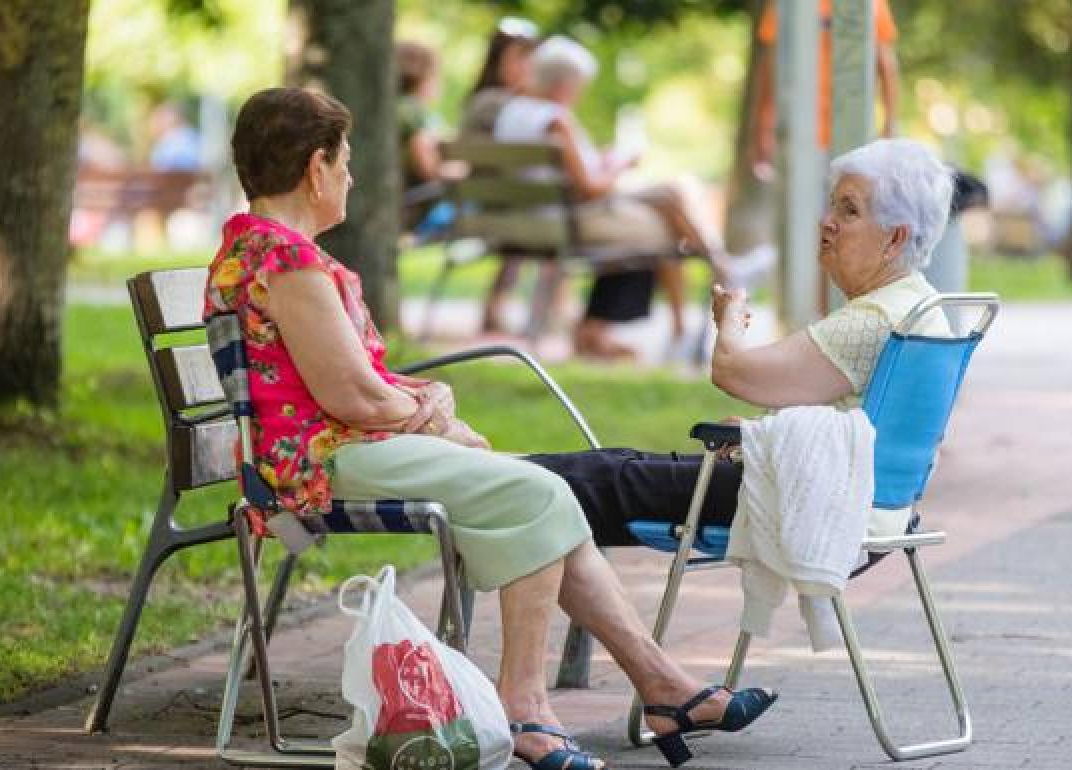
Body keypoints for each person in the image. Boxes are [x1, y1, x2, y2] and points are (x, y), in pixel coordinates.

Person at [205, 87, 776, 770]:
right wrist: (437, 421)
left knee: (536, 492)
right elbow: (349, 393)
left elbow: (347, 387)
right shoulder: (285, 260)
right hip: (318, 465)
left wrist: (425, 408)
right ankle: (528, 707)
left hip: (331, 450)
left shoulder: (265, 249)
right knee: (532, 493)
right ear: (315, 167)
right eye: (346, 161)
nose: (350, 177)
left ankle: (662, 688)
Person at [527, 138, 953, 548]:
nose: (827, 221)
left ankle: (492, 485)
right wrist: (761, 435)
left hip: (806, 503)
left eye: (850, 210)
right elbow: (854, 424)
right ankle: (498, 483)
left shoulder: (874, 319)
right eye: (833, 204)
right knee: (609, 471)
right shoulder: (922, 306)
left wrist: (730, 318)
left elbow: (735, 372)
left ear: (895, 238)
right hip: (866, 503)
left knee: (590, 482)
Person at [495, 36, 745, 359]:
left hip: (531, 213)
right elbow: (590, 188)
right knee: (668, 225)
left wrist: (600, 162)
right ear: (564, 84)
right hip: (570, 218)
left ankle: (604, 329)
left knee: (669, 198)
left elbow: (564, 173)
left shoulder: (512, 112)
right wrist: (620, 164)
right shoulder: (555, 120)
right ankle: (714, 278)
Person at [751, 0, 900, 180]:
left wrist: (889, 124)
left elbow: (886, 65)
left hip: (850, 133)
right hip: (800, 133)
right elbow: (771, 67)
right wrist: (762, 127)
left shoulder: (868, 3)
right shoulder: (785, 4)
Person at [459, 17, 541, 334]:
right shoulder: (504, 105)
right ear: (499, 62)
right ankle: (545, 314)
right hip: (504, 211)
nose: (529, 68)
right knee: (554, 216)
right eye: (522, 59)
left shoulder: (481, 101)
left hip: (499, 207)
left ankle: (498, 306)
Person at [396, 41, 456, 239]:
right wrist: (459, 172)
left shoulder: (396, 106)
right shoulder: (414, 111)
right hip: (415, 201)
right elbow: (426, 166)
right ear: (424, 77)